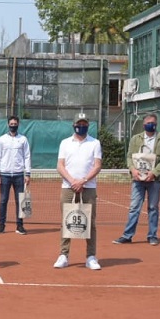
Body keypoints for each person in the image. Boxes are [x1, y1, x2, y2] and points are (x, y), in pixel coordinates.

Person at [114, 113, 160, 246]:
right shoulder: (135, 139)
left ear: (156, 124)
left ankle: (152, 235)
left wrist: (154, 173)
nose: (151, 125)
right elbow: (129, 157)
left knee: (153, 207)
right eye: (148, 123)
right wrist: (133, 170)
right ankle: (127, 235)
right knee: (134, 207)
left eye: (153, 123)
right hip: (138, 179)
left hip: (155, 180)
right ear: (144, 125)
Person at [55, 113, 102, 270]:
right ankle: (63, 255)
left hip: (88, 187)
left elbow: (97, 166)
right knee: (66, 220)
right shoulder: (65, 143)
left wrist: (83, 181)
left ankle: (91, 256)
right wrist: (72, 181)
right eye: (78, 123)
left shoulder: (95, 143)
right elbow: (60, 166)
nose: (81, 126)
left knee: (90, 222)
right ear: (73, 125)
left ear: (88, 125)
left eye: (84, 123)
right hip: (68, 187)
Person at [0, 115, 31, 235]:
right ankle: (1, 225)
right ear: (8, 124)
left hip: (19, 175)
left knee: (20, 201)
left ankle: (20, 226)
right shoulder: (1, 139)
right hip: (4, 175)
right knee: (3, 200)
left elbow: (27, 156)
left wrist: (27, 173)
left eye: (15, 124)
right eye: (11, 124)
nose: (13, 126)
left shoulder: (23, 139)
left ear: (18, 125)